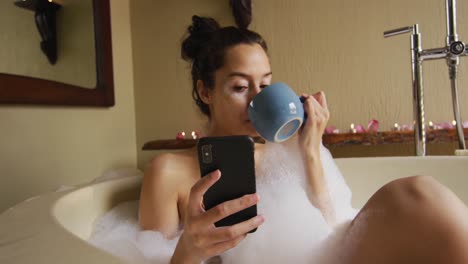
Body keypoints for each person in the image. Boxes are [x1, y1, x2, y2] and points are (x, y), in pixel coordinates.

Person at [139, 5, 468, 264]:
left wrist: (311, 150)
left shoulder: (282, 154)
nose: (257, 99)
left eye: (265, 85)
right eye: (240, 86)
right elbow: (137, 257)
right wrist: (188, 253)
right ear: (205, 91)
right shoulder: (168, 172)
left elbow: (332, 229)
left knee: (416, 193)